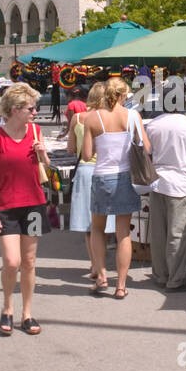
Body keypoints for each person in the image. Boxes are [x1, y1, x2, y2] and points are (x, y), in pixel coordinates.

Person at [0, 82, 50, 336]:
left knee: (29, 262)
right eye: (30, 108)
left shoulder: (35, 131)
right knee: (12, 262)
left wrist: (43, 154)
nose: (35, 112)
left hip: (33, 204)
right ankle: (7, 306)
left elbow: (47, 165)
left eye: (35, 108)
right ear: (14, 109)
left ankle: (27, 313)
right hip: (6, 206)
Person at [81, 75, 146, 299]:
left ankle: (101, 276)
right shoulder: (133, 116)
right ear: (122, 94)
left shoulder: (92, 118)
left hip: (101, 177)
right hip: (125, 177)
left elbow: (87, 154)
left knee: (97, 229)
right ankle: (120, 286)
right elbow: (145, 147)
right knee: (123, 233)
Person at [145, 110, 186, 291]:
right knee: (178, 234)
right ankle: (176, 279)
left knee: (158, 233)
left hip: (157, 183)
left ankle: (160, 275)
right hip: (179, 184)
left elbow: (147, 153)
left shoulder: (153, 125)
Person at [68, 81, 115, 278]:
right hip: (108, 170)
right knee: (105, 224)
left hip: (86, 171)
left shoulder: (78, 118)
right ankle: (102, 266)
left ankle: (95, 266)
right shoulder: (111, 119)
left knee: (90, 225)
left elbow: (71, 148)